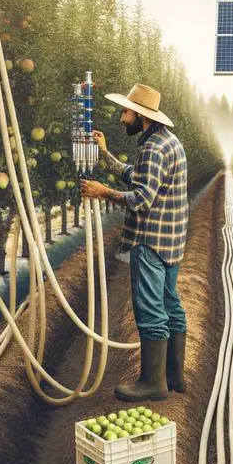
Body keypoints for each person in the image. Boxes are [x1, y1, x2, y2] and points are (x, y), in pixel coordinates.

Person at [80, 83, 188, 402]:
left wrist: (104, 193)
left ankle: (152, 383)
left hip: (150, 238)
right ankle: (173, 376)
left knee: (149, 309)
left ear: (141, 116)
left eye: (126, 111)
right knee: (170, 303)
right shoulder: (165, 142)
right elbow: (138, 175)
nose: (121, 116)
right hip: (170, 238)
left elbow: (141, 198)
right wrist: (105, 153)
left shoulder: (153, 148)